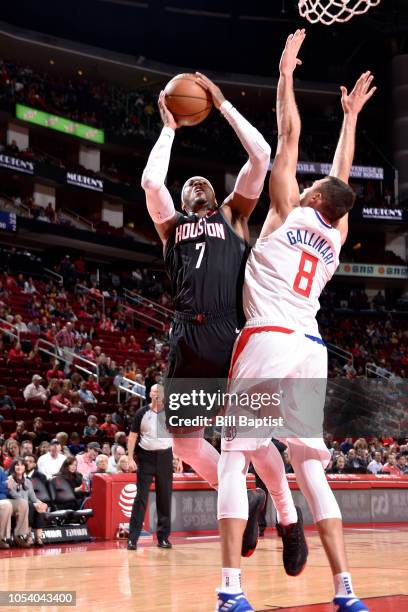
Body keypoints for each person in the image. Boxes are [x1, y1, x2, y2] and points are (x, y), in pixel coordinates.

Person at [216, 31, 376, 612]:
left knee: (235, 454)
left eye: (307, 188)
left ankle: (231, 591)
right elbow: (342, 177)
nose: (300, 184)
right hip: (312, 348)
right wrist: (351, 118)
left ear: (308, 198)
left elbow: (289, 136)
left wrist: (284, 75)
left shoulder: (286, 213)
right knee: (313, 471)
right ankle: (345, 592)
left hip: (270, 340)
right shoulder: (334, 235)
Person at [141, 72, 278, 556]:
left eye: (204, 182)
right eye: (191, 184)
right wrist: (170, 129)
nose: (197, 184)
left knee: (246, 436)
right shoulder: (171, 228)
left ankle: (277, 504)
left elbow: (262, 156)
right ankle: (246, 498)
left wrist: (221, 105)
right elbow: (151, 180)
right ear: (182, 201)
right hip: (184, 337)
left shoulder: (234, 215)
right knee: (183, 444)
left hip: (225, 331)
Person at [127, 384, 173, 550]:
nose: (156, 394)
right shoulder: (142, 413)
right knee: (141, 497)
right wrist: (129, 457)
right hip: (146, 457)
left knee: (164, 498)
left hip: (165, 457)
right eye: (154, 391)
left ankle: (163, 538)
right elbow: (132, 437)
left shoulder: (170, 412)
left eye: (159, 392)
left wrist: (179, 458)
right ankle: (133, 538)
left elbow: (177, 435)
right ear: (150, 394)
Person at [7, 458, 48, 546]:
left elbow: (33, 498)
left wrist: (40, 503)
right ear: (13, 467)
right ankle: (28, 536)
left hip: (28, 505)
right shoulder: (9, 480)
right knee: (30, 505)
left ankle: (38, 538)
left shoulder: (28, 481)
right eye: (17, 465)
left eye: (22, 465)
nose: (19, 467)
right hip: (15, 506)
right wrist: (34, 504)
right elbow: (14, 496)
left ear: (24, 467)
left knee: (38, 507)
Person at [0, 466, 30, 548]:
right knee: (6, 505)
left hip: (4, 499)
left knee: (23, 503)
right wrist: (4, 486)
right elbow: (5, 486)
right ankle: (2, 538)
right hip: (4, 502)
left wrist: (7, 486)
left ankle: (19, 536)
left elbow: (8, 488)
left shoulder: (0, 470)